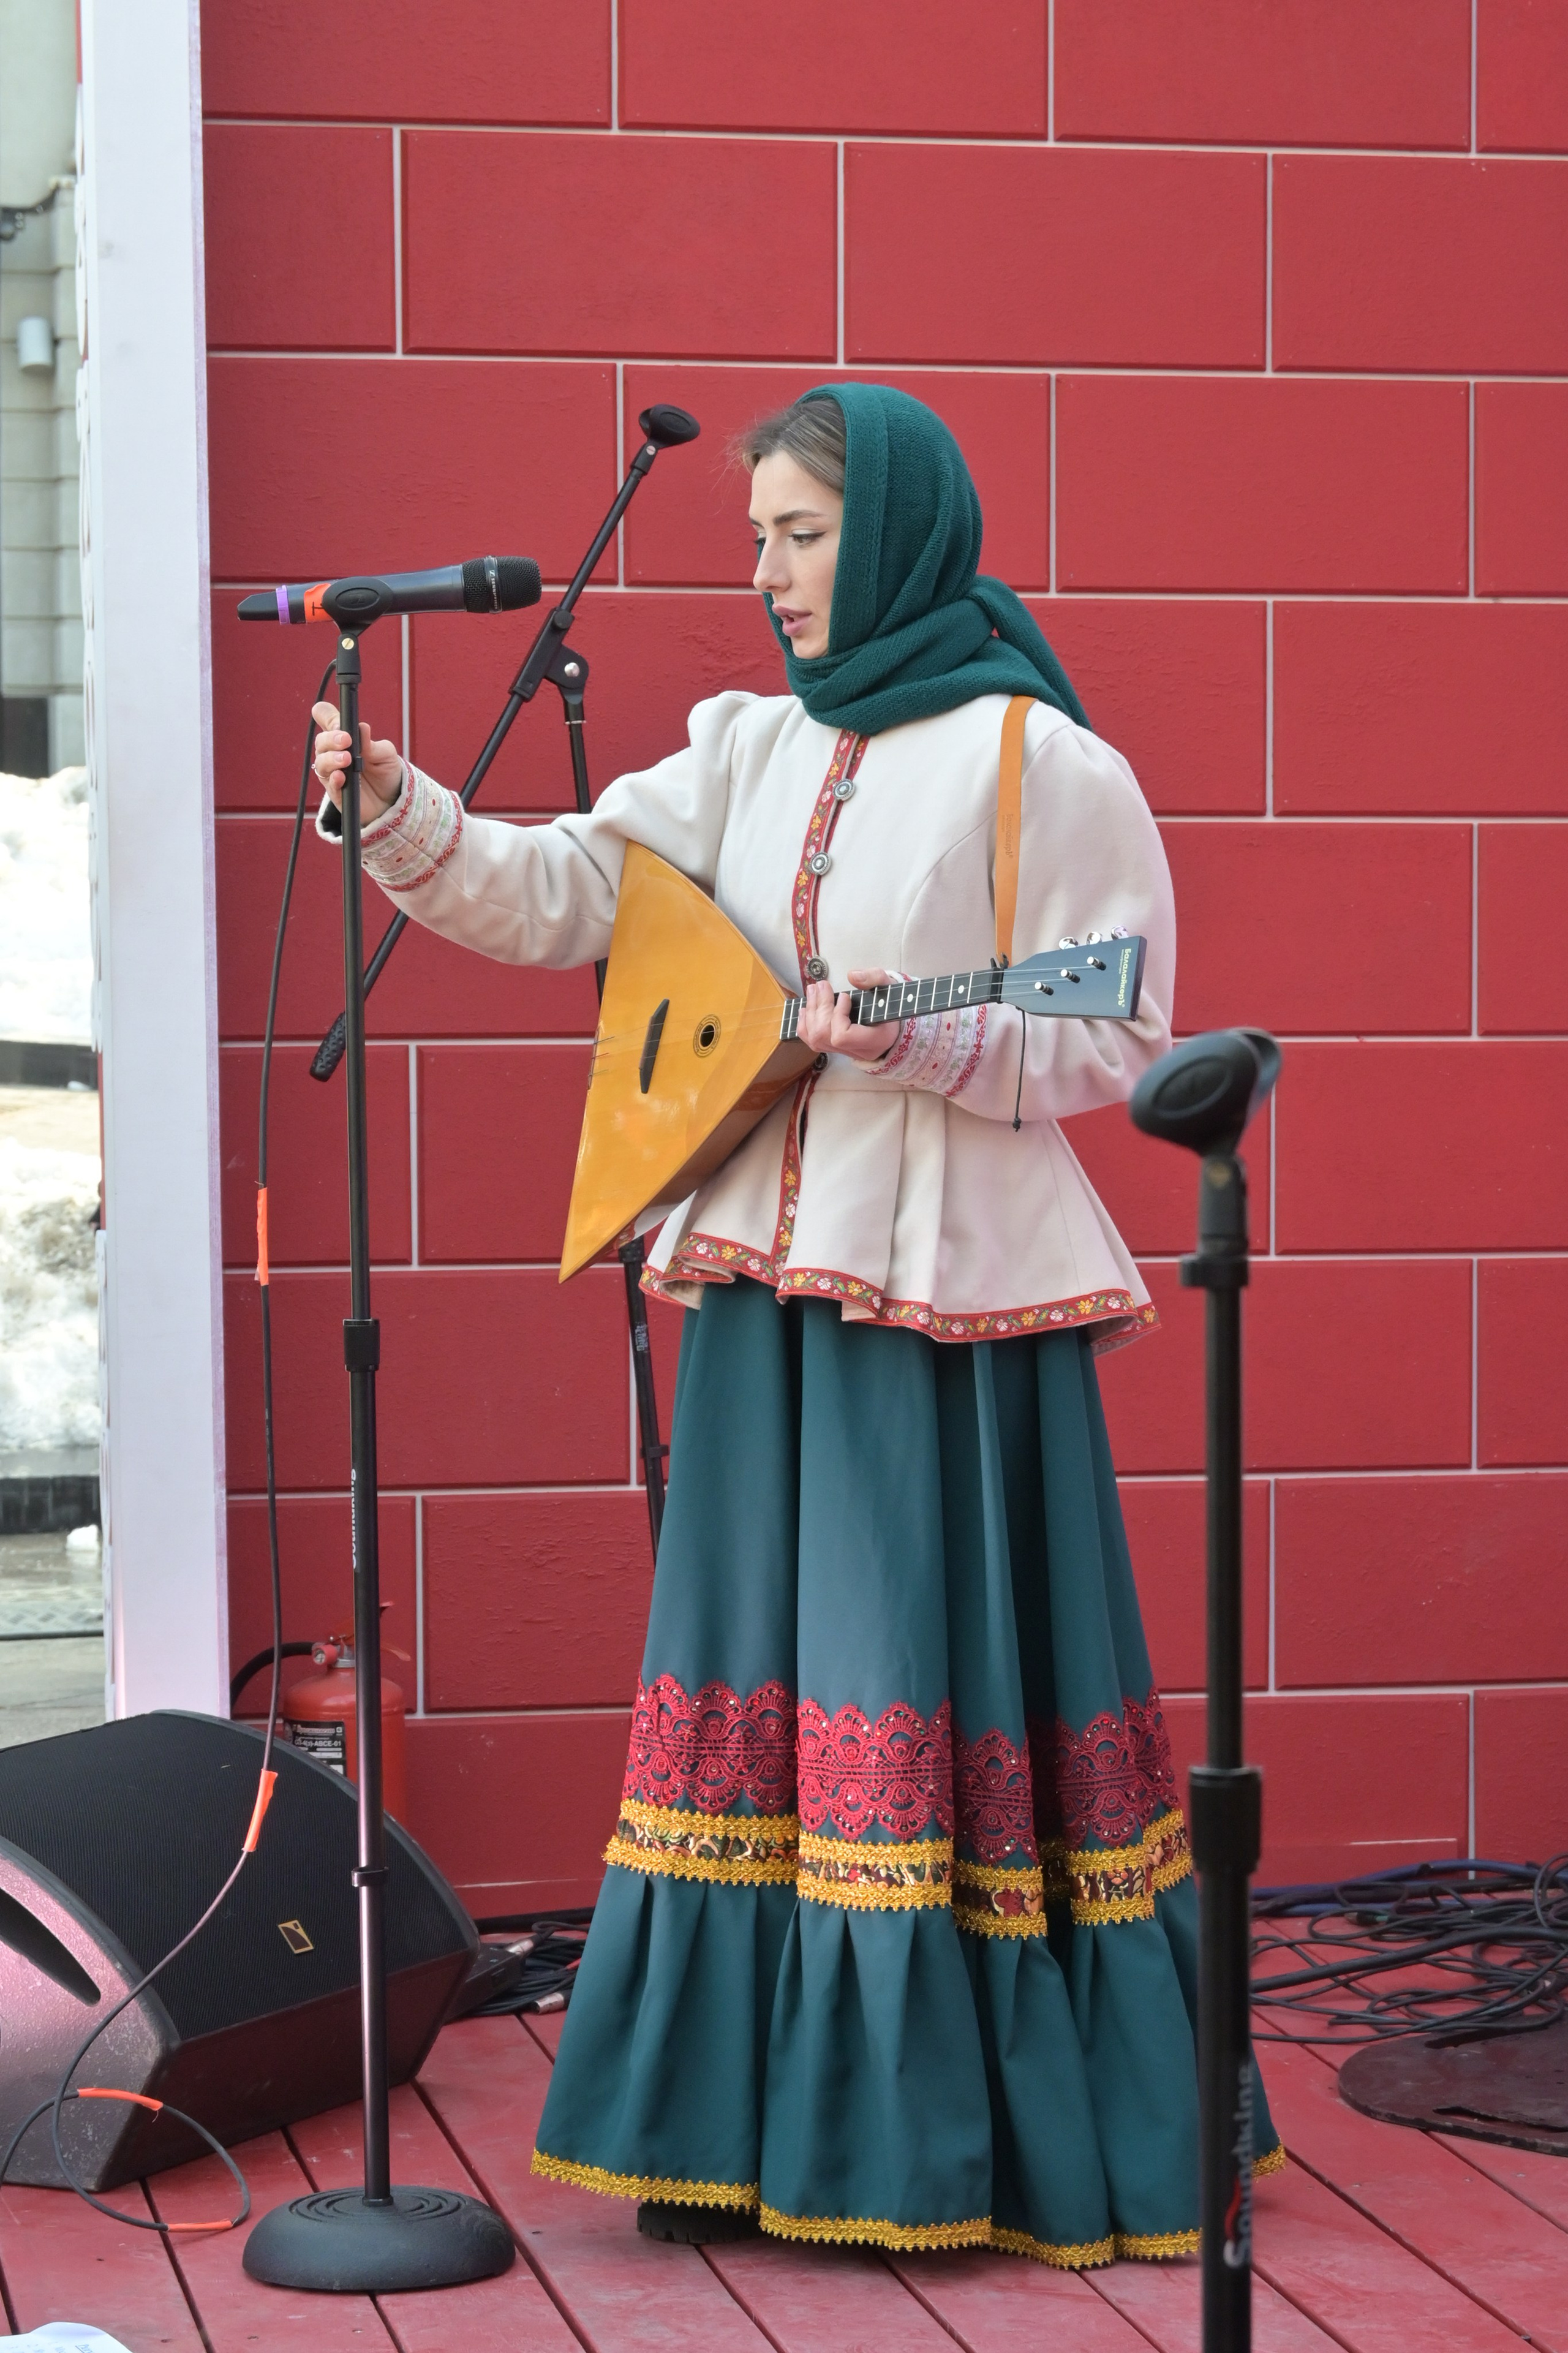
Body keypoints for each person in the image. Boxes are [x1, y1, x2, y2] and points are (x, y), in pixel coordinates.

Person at [312, 383, 1281, 2265]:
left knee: (930, 1687)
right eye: (753, 535)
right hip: (762, 1303)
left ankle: (959, 2137)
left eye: (799, 533)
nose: (764, 574)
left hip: (951, 1326)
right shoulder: (742, 752)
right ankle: (740, 2122)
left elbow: (1116, 1022)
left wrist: (910, 1027)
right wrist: (402, 812)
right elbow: (564, 890)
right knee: (763, 1693)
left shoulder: (1033, 761)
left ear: (900, 526)